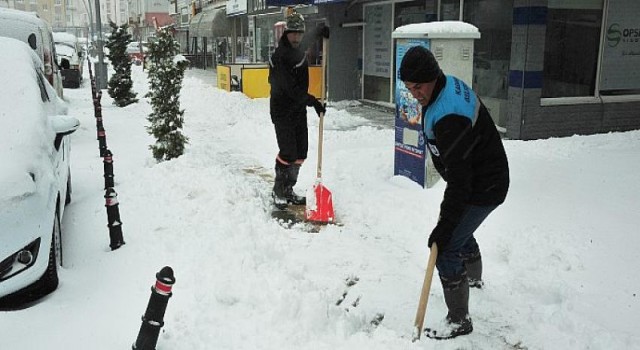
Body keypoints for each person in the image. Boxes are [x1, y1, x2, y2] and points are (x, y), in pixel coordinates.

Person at [399, 46, 510, 339]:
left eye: (418, 86)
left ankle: (460, 319)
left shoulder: (450, 115)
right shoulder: (442, 89)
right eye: (409, 88)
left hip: (484, 184)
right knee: (457, 228)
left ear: (433, 76)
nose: (415, 94)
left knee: (447, 245)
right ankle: (472, 280)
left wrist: (444, 227)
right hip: (478, 177)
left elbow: (462, 181)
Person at [268, 10, 325, 209]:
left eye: (300, 34)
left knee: (301, 152)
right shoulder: (279, 57)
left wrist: (319, 32)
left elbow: (305, 43)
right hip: (282, 111)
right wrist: (313, 101)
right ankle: (278, 189)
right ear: (287, 33)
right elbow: (288, 88)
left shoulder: (297, 49)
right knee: (288, 152)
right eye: (294, 33)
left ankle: (288, 189)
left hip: (298, 110)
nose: (298, 37)